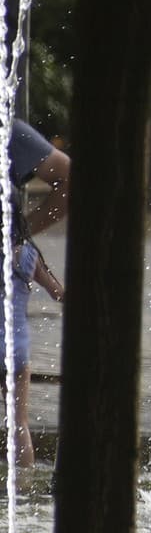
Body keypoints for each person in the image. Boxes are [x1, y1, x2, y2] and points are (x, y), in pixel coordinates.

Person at [2, 118, 70, 468]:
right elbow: (57, 290)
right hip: (14, 351)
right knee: (19, 423)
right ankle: (23, 493)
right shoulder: (22, 250)